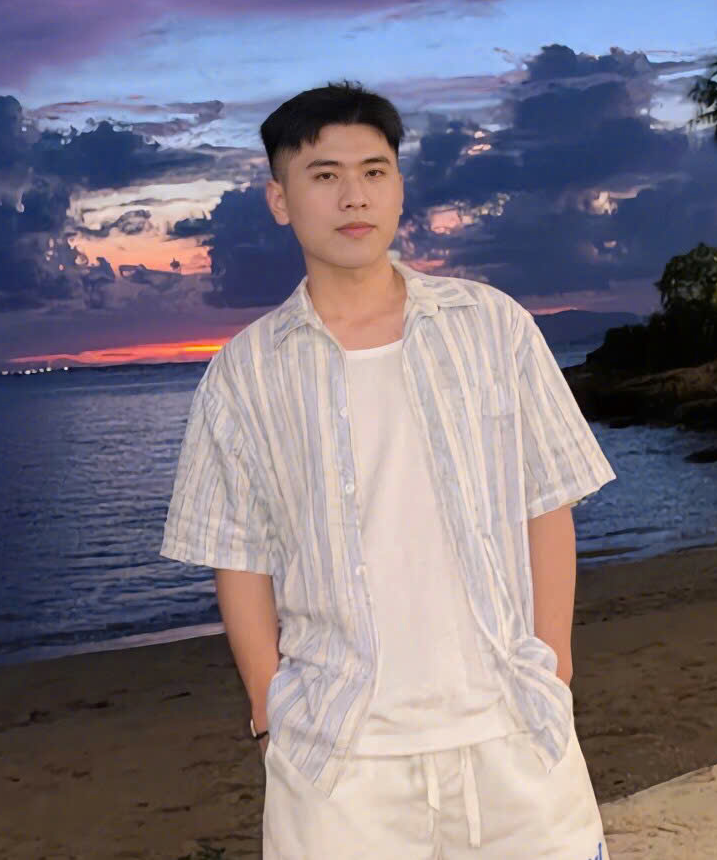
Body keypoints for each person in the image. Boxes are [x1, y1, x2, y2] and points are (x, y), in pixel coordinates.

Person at [161, 81, 616, 858]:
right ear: (280, 199)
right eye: (324, 174)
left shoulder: (490, 325)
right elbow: (238, 553)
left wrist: (554, 669)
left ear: (399, 185)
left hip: (512, 735)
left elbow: (547, 501)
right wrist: (270, 711)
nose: (354, 196)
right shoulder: (247, 371)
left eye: (374, 171)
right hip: (342, 761)